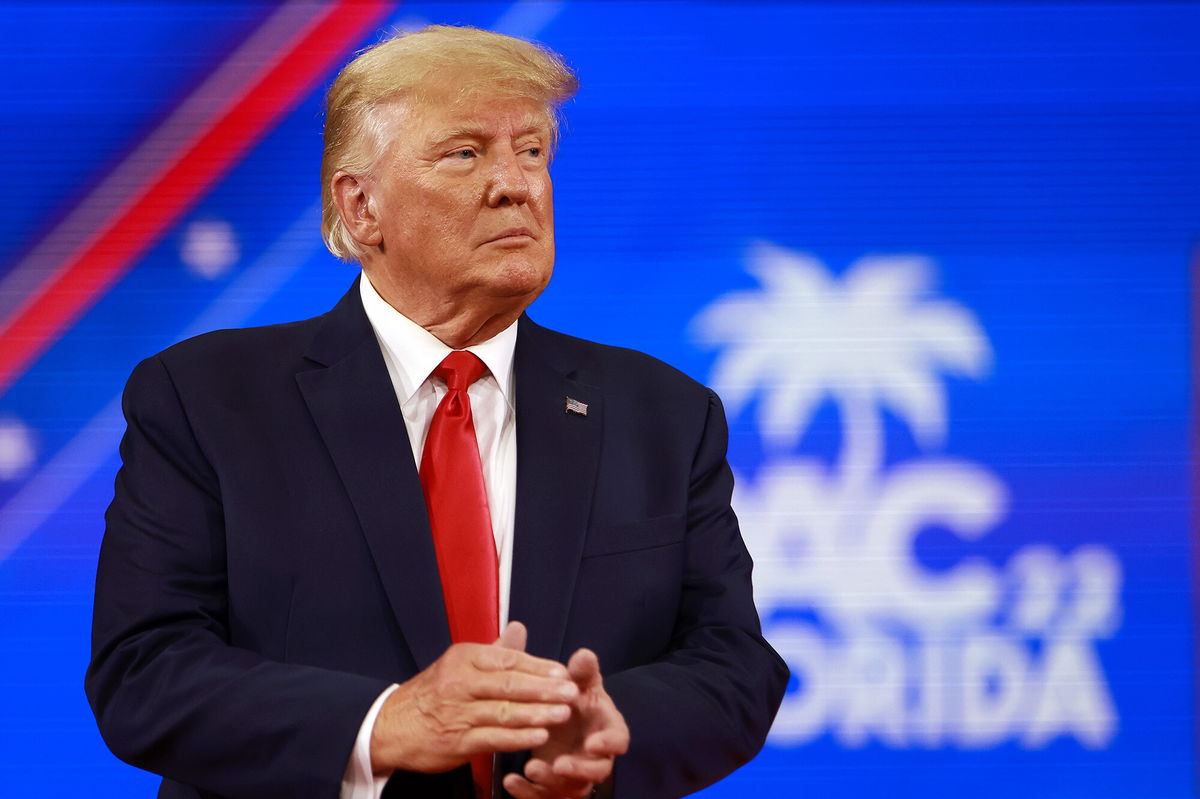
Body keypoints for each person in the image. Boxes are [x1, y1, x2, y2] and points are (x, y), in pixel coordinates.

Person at [86, 24, 788, 799]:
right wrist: (385, 723)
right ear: (361, 207)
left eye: (532, 152)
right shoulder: (207, 398)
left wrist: (611, 733)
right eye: (465, 153)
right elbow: (143, 670)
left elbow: (735, 664)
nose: (515, 184)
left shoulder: (664, 415)